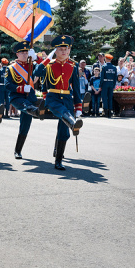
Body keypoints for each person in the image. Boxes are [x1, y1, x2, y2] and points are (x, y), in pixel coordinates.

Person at [33, 35, 84, 171]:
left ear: (69, 50)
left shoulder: (73, 65)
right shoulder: (49, 64)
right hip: (53, 97)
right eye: (60, 49)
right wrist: (47, 59)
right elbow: (36, 72)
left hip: (67, 98)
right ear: (55, 51)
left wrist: (78, 106)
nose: (63, 52)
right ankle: (73, 123)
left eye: (65, 49)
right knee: (63, 112)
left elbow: (76, 87)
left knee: (64, 133)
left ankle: (59, 159)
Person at [5, 42, 46, 159]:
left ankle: (18, 150)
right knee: (26, 106)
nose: (25, 54)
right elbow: (8, 85)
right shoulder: (11, 68)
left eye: (26, 52)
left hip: (30, 97)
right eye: (22, 52)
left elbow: (43, 71)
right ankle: (38, 112)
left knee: (25, 126)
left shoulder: (31, 65)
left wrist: (37, 59)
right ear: (17, 54)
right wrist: (21, 88)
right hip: (17, 97)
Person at [100, 54, 118, 118]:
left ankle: (106, 111)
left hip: (105, 83)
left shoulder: (104, 67)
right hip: (111, 83)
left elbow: (102, 77)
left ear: (106, 59)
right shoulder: (114, 67)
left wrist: (100, 85)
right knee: (110, 98)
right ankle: (110, 111)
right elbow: (115, 77)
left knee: (104, 98)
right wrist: (113, 85)